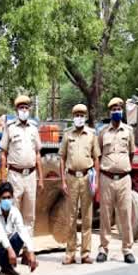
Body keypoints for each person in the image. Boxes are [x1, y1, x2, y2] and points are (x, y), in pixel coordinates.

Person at [59, 103, 100, 265]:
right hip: (71, 178)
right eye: (76, 115)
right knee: (71, 217)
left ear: (85, 117)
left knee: (87, 216)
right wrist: (63, 180)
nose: (79, 118)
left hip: (86, 178)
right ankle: (70, 253)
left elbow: (96, 158)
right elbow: (61, 158)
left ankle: (85, 253)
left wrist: (95, 180)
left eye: (82, 115)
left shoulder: (91, 135)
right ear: (73, 117)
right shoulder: (67, 134)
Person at [97, 97, 137, 264]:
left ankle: (127, 249)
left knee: (125, 214)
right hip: (106, 178)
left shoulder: (128, 131)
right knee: (105, 215)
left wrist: (122, 167)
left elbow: (131, 153)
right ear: (109, 112)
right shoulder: (103, 133)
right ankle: (103, 249)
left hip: (124, 179)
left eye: (119, 108)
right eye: (113, 109)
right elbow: (98, 154)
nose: (116, 111)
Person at [0, 95, 44, 234]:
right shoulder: (10, 127)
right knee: (14, 212)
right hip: (15, 176)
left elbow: (37, 154)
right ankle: (14, 246)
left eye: (26, 107)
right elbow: (3, 154)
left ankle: (27, 248)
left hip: (31, 175)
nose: (24, 110)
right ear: (16, 110)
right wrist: (3, 178)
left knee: (29, 214)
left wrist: (41, 178)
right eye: (21, 107)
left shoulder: (34, 129)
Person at [0, 182, 38, 275]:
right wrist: (10, 250)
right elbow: (1, 233)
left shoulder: (15, 211)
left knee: (20, 235)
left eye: (9, 197)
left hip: (8, 245)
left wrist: (31, 252)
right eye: (4, 198)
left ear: (12, 198)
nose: (6, 200)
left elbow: (22, 231)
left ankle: (7, 267)